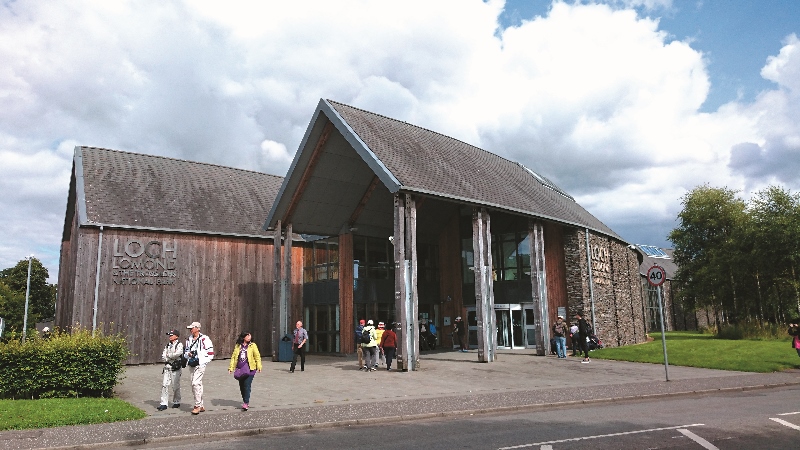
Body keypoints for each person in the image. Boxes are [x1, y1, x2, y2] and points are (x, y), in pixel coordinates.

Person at [184, 321, 214, 415]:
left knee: (195, 383)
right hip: (192, 363)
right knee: (197, 384)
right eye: (190, 328)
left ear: (197, 328)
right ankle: (201, 405)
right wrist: (188, 355)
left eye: (192, 328)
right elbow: (186, 351)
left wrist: (203, 360)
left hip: (200, 364)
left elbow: (210, 353)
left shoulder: (204, 339)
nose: (190, 330)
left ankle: (197, 405)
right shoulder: (189, 339)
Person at [228, 331, 262, 411]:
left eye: (250, 335)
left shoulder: (253, 345)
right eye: (247, 336)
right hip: (240, 369)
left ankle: (246, 402)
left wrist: (259, 366)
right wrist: (231, 368)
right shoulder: (238, 346)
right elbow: (234, 357)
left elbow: (257, 356)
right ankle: (245, 400)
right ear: (243, 337)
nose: (249, 337)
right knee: (242, 386)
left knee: (247, 385)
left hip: (251, 369)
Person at [158, 329, 184, 411]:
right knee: (164, 385)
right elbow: (163, 357)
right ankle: (163, 403)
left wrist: (168, 355)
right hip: (167, 367)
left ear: (176, 336)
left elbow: (178, 354)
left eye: (171, 335)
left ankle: (177, 401)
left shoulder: (179, 345)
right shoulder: (167, 345)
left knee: (175, 386)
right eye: (169, 335)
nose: (170, 336)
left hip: (176, 368)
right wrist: (169, 356)